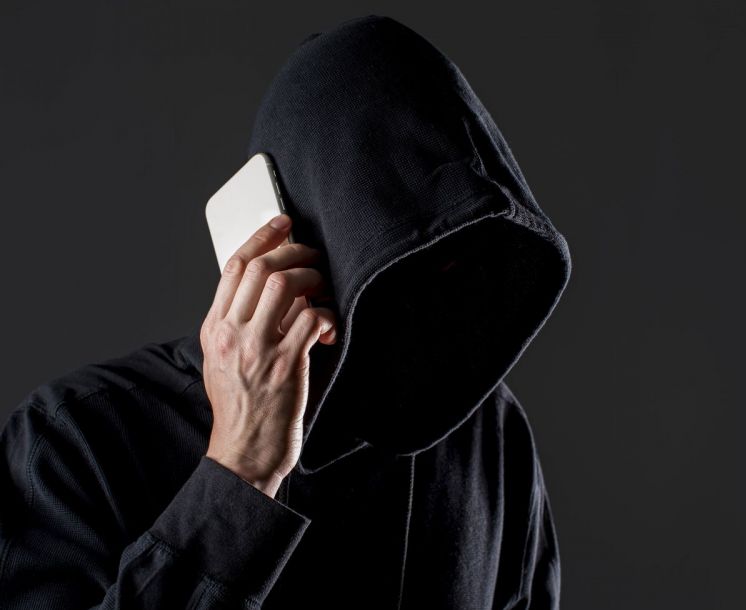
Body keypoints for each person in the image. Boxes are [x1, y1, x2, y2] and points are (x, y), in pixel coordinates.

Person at [0, 14, 570, 609]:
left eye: (467, 259)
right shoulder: (74, 441)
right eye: (404, 258)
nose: (441, 293)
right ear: (288, 244)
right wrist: (240, 469)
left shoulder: (490, 441)